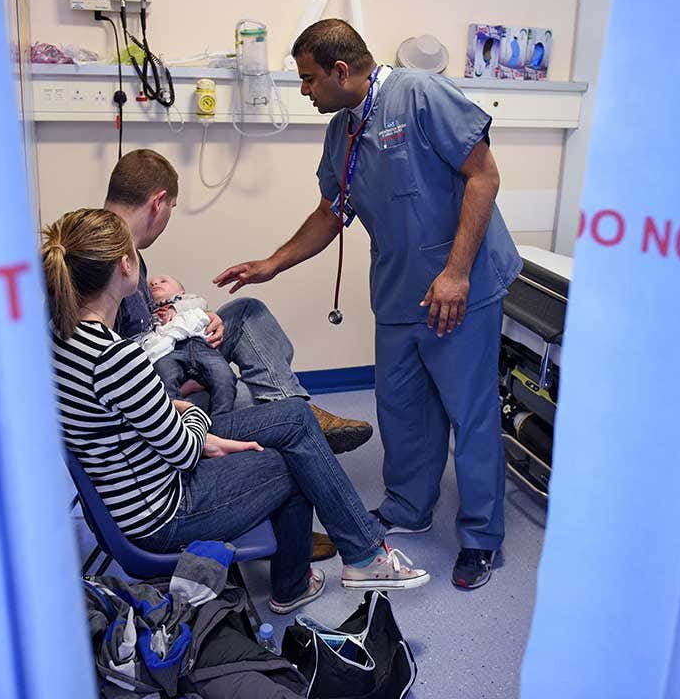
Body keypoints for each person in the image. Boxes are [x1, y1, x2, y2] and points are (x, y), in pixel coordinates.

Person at [214, 19, 522, 590]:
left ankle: (481, 537)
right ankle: (408, 507)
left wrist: (456, 274)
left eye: (308, 79)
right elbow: (333, 211)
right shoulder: (342, 132)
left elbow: (484, 176)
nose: (304, 91)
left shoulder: (420, 94)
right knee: (402, 406)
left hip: (463, 286)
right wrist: (272, 263)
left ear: (340, 71)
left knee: (470, 412)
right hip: (401, 289)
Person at [43, 208, 429, 614]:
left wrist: (161, 406)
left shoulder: (61, 337)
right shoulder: (116, 357)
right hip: (163, 511)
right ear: (125, 265)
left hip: (137, 479)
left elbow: (122, 418)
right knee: (296, 460)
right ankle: (302, 581)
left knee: (295, 418)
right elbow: (186, 451)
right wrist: (185, 411)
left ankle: (363, 554)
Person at [103, 149, 372, 457]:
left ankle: (295, 408)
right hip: (161, 392)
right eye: (171, 208)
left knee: (245, 312)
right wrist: (185, 377)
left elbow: (145, 327)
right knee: (252, 396)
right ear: (158, 203)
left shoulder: (128, 252)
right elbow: (119, 370)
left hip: (168, 353)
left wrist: (200, 318)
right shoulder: (108, 262)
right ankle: (299, 413)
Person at [140, 273, 238, 414]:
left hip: (199, 344)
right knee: (163, 383)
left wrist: (175, 309)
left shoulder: (187, 300)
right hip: (167, 351)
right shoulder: (147, 311)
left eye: (163, 281)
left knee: (224, 376)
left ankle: (222, 420)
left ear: (181, 291)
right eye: (150, 285)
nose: (155, 284)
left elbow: (201, 303)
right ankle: (175, 423)